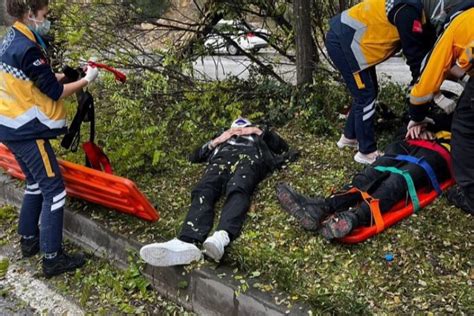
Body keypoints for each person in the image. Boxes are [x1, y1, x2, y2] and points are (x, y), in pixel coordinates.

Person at [0, 0, 99, 277]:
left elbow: (35, 79)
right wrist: (87, 80)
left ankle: (29, 242)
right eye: (44, 14)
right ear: (30, 14)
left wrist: (65, 75)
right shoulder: (28, 48)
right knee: (54, 190)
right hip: (27, 132)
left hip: (9, 127)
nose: (47, 19)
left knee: (34, 183)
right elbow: (54, 93)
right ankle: (52, 257)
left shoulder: (12, 38)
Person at [140, 118, 297, 266]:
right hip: (220, 161)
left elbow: (282, 147)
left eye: (243, 128)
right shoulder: (222, 138)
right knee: (203, 190)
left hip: (249, 160)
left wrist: (257, 131)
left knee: (238, 188)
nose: (239, 131)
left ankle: (222, 236)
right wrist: (218, 140)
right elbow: (194, 157)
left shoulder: (258, 136)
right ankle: (187, 240)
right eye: (235, 129)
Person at [276, 112, 454, 240]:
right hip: (411, 142)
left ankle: (355, 217)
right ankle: (323, 206)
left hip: (441, 151)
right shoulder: (432, 98)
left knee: (399, 180)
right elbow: (408, 120)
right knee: (372, 173)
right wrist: (417, 126)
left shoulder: (464, 109)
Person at [326, 0, 452, 164]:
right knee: (366, 95)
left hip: (352, 43)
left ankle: (349, 137)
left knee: (367, 92)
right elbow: (416, 61)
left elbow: (426, 52)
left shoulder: (416, 11)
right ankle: (366, 152)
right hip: (344, 42)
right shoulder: (407, 11)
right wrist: (420, 107)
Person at [405, 2, 474, 214]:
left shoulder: (456, 25)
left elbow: (426, 83)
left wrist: (416, 116)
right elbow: (463, 66)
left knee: (464, 127)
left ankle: (470, 195)